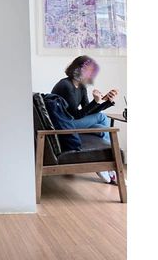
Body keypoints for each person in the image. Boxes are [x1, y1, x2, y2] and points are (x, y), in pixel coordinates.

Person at [51, 55, 119, 184]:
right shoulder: (65, 85)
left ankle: (106, 166)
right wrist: (96, 102)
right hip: (64, 124)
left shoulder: (81, 87)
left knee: (102, 128)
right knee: (102, 117)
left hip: (74, 122)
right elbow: (76, 115)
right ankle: (107, 164)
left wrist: (106, 101)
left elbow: (88, 110)